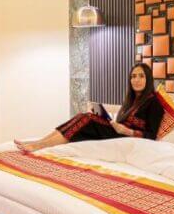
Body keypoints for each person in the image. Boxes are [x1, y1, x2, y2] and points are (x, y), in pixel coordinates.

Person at [15, 63, 164, 152]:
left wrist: (127, 130)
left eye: (141, 76)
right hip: (116, 132)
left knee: (86, 118)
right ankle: (39, 142)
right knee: (83, 116)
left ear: (148, 79)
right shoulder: (131, 100)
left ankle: (40, 146)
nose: (136, 80)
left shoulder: (154, 102)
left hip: (125, 137)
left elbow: (152, 136)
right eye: (133, 76)